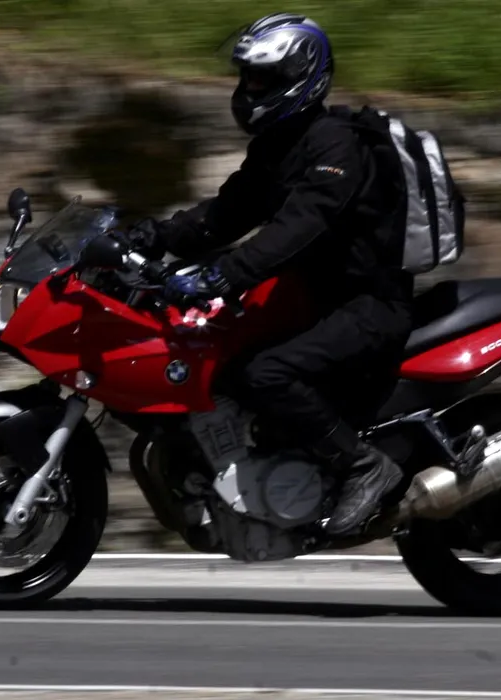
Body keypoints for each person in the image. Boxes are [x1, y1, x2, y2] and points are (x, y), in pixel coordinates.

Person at [125, 12, 415, 537]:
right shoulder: (279, 146)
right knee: (219, 359)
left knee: (267, 373)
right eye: (247, 78)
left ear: (300, 78)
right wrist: (152, 237)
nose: (248, 90)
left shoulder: (337, 146)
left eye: (261, 79)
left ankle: (363, 465)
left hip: (367, 303)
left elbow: (298, 226)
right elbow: (224, 214)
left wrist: (224, 276)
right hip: (311, 298)